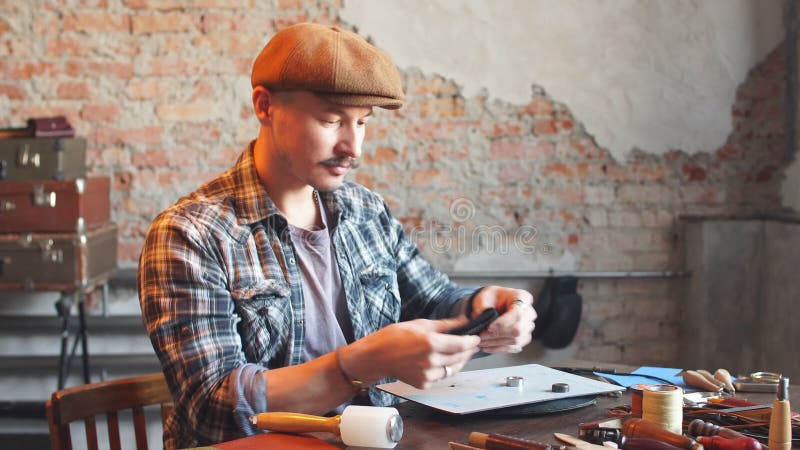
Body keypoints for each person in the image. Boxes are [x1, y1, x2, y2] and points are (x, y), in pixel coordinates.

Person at [138, 22, 537, 448]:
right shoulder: (190, 235)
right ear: (264, 106)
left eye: (362, 123)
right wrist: (360, 364)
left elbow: (433, 299)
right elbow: (213, 408)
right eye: (331, 121)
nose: (354, 147)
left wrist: (487, 305)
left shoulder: (365, 211)